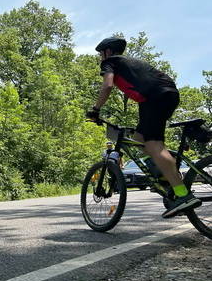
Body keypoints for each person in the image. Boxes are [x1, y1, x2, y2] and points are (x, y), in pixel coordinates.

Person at [86, 37, 201, 218]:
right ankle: (163, 174)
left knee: (154, 145)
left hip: (155, 98)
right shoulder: (130, 62)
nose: (101, 57)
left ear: (108, 51)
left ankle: (183, 195)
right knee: (139, 138)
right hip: (163, 95)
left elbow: (107, 85)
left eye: (101, 54)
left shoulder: (110, 62)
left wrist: (95, 110)